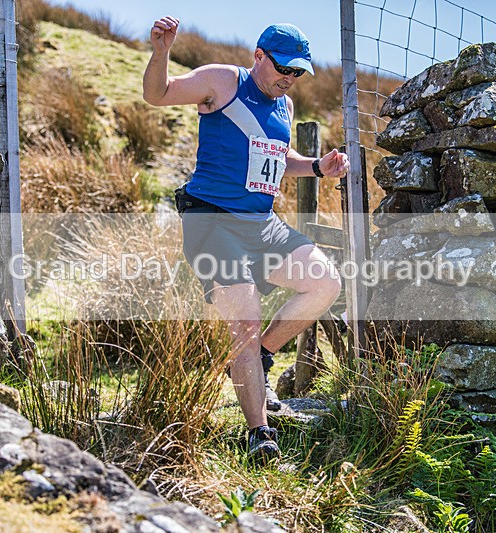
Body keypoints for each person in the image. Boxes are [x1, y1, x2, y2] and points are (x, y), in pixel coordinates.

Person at [143, 16, 348, 460]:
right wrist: (161, 54)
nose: (289, 79)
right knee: (245, 323)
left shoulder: (284, 107)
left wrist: (316, 166)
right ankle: (260, 434)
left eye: (298, 73)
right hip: (213, 222)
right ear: (259, 56)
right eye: (283, 69)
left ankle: (260, 358)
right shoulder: (222, 81)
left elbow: (276, 154)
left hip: (262, 223)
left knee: (325, 283)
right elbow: (157, 94)